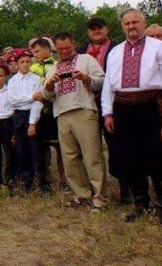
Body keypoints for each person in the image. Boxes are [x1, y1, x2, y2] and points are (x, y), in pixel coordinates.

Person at [102, 9, 162, 223]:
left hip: (152, 106)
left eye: (135, 22)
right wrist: (108, 112)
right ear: (122, 26)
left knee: (161, 156)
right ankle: (141, 203)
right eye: (127, 23)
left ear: (144, 22)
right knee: (130, 156)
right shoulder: (115, 52)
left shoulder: (160, 48)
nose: (131, 26)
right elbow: (108, 83)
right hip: (123, 108)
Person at [42, 32, 107, 211]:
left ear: (74, 44)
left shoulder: (86, 60)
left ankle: (100, 198)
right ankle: (82, 195)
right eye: (60, 49)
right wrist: (48, 86)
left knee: (92, 156)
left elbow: (102, 81)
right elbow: (47, 96)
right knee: (70, 158)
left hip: (84, 110)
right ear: (56, 48)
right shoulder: (53, 68)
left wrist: (86, 79)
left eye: (68, 48)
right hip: (62, 113)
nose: (64, 52)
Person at [30, 37, 64, 191]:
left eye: (37, 51)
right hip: (39, 112)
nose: (35, 54)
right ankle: (45, 180)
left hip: (55, 110)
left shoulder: (57, 65)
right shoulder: (32, 68)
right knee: (41, 147)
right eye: (33, 51)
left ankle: (64, 180)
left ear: (47, 50)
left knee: (61, 148)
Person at [7, 49, 43, 191]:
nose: (25, 64)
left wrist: (32, 123)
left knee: (36, 150)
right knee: (21, 151)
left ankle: (39, 182)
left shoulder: (36, 79)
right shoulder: (12, 81)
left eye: (28, 61)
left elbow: (38, 101)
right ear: (17, 64)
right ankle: (26, 183)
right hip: (18, 117)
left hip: (33, 116)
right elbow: (12, 101)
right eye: (22, 62)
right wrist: (30, 97)